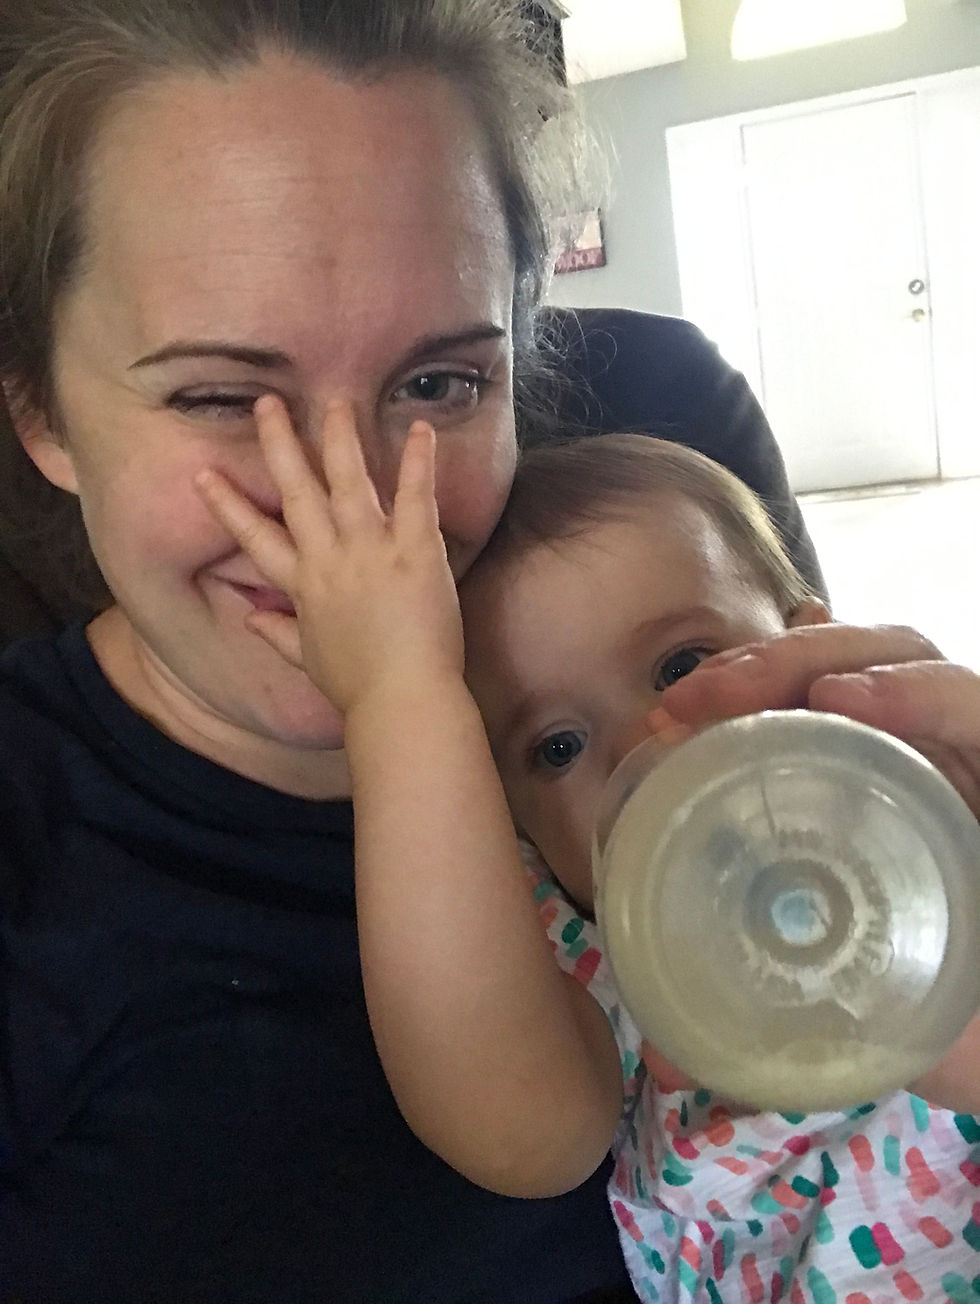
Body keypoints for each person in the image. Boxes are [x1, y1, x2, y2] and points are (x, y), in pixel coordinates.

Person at [0, 2, 641, 1298]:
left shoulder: (632, 684)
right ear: (45, 416)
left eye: (440, 385)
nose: (345, 506)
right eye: (224, 397)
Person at [198, 408, 980, 1303]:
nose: (636, 749)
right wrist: (398, 697)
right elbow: (519, 1134)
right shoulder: (601, 946)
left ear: (810, 641)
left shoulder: (931, 812)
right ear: (514, 824)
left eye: (684, 666)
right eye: (556, 748)